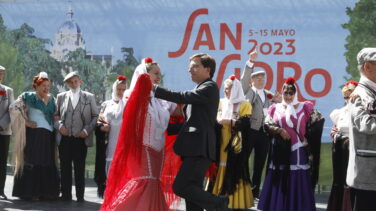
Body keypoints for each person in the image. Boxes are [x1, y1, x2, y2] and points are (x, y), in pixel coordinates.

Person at [153, 53, 229, 211]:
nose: (190, 70)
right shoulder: (201, 88)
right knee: (192, 195)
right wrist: (161, 127)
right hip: (194, 148)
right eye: (190, 67)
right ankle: (217, 203)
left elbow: (182, 96)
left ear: (208, 69)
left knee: (181, 187)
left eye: (195, 66)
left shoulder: (209, 87)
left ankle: (218, 203)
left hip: (199, 149)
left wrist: (154, 89)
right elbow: (190, 123)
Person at [102, 57, 178, 211]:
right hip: (141, 148)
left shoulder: (159, 100)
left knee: (153, 182)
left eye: (159, 74)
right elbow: (127, 118)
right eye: (155, 73)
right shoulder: (131, 96)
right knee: (144, 181)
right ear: (144, 73)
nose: (158, 77)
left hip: (158, 150)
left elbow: (177, 110)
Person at [257, 77, 316, 211]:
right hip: (279, 149)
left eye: (291, 93)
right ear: (282, 93)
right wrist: (279, 130)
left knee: (296, 177)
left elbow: (316, 123)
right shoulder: (274, 108)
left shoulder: (304, 107)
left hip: (297, 150)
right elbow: (266, 124)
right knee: (279, 175)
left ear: (295, 94)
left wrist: (309, 137)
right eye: (285, 93)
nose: (288, 96)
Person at [12, 72, 59, 200]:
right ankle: (31, 192)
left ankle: (46, 193)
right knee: (33, 161)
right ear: (36, 86)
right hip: (34, 135)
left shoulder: (53, 99)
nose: (46, 88)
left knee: (47, 162)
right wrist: (25, 122)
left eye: (48, 86)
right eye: (43, 85)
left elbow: (56, 115)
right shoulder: (27, 96)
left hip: (48, 136)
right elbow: (13, 108)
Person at [240, 49, 280, 198]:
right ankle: (245, 185)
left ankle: (255, 190)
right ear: (252, 81)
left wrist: (278, 100)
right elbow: (243, 81)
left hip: (264, 132)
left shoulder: (269, 94)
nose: (260, 80)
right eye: (257, 78)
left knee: (260, 163)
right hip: (250, 130)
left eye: (262, 78)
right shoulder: (250, 91)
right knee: (244, 158)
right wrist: (250, 62)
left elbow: (276, 109)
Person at [54, 71, 98, 202]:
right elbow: (55, 115)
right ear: (67, 84)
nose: (73, 84)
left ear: (80, 82)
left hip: (80, 138)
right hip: (65, 139)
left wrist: (87, 130)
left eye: (75, 81)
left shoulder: (89, 97)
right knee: (65, 167)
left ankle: (80, 196)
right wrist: (60, 126)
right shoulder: (61, 96)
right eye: (70, 82)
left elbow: (95, 116)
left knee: (80, 168)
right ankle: (65, 195)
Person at [212, 75, 254, 210]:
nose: (225, 91)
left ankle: (234, 200)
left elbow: (245, 124)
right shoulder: (221, 102)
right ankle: (218, 197)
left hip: (236, 143)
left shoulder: (245, 104)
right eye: (224, 89)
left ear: (235, 89)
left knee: (235, 167)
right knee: (220, 164)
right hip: (221, 140)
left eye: (228, 89)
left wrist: (229, 121)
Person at [346, 48, 376, 211]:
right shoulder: (360, 95)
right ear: (367, 67)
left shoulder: (370, 93)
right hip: (367, 176)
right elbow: (368, 125)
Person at [326, 80, 358, 211]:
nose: (347, 98)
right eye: (345, 96)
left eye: (350, 95)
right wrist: (335, 134)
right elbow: (335, 130)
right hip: (340, 151)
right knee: (339, 180)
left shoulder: (362, 112)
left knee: (352, 181)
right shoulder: (338, 113)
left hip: (355, 151)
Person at [94, 75, 127, 198]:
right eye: (118, 89)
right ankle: (106, 190)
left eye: (123, 89)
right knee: (107, 163)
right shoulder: (106, 104)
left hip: (123, 142)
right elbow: (99, 121)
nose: (120, 92)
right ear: (114, 89)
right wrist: (102, 127)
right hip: (108, 142)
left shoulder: (128, 104)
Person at [0, 65, 14, 200]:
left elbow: (12, 110)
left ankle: (1, 190)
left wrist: (1, 125)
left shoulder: (8, 91)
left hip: (3, 132)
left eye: (1, 74)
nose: (0, 76)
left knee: (2, 162)